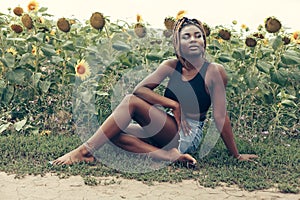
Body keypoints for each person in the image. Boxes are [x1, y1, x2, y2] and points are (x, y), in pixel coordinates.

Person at [52, 17, 258, 166]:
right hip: (167, 125)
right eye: (187, 36)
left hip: (188, 133)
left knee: (130, 103)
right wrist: (172, 104)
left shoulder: (214, 72)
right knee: (112, 132)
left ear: (204, 42)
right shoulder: (171, 65)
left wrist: (236, 155)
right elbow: (140, 89)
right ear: (178, 43)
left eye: (198, 36)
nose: (194, 40)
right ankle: (168, 156)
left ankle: (84, 151)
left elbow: (220, 116)